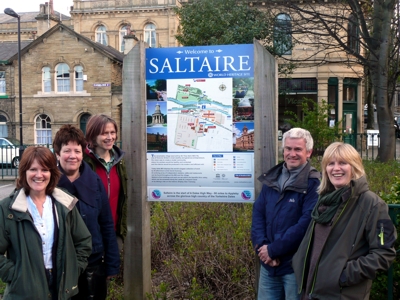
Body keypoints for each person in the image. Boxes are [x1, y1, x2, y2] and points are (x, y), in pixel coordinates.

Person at [292, 142, 397, 299]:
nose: (336, 168)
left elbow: (384, 253)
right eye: (330, 164)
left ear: (354, 167)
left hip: (341, 294)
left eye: (343, 163)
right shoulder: (324, 200)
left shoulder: (372, 204)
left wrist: (341, 276)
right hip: (310, 291)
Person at [0, 146, 92, 299]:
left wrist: (73, 269)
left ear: (52, 173)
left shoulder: (64, 203)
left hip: (60, 285)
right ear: (24, 172)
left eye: (44, 170)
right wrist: (15, 275)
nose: (39, 175)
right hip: (24, 290)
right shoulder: (8, 208)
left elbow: (83, 241)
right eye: (33, 169)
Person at [251, 128, 320, 300]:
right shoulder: (272, 178)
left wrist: (273, 250)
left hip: (294, 267)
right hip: (268, 265)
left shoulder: (313, 184)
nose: (292, 154)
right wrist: (263, 248)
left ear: (309, 152)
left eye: (298, 149)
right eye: (288, 148)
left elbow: (305, 224)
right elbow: (258, 214)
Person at [53, 125, 120, 300]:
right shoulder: (48, 184)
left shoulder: (95, 182)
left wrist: (112, 264)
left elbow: (106, 223)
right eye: (67, 150)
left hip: (93, 263)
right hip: (59, 265)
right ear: (58, 154)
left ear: (83, 153)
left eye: (77, 150)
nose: (73, 156)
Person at [84, 114, 128, 244]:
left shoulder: (119, 161)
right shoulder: (83, 163)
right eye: (104, 133)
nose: (110, 137)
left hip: (113, 233)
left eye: (112, 132)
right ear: (93, 136)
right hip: (89, 236)